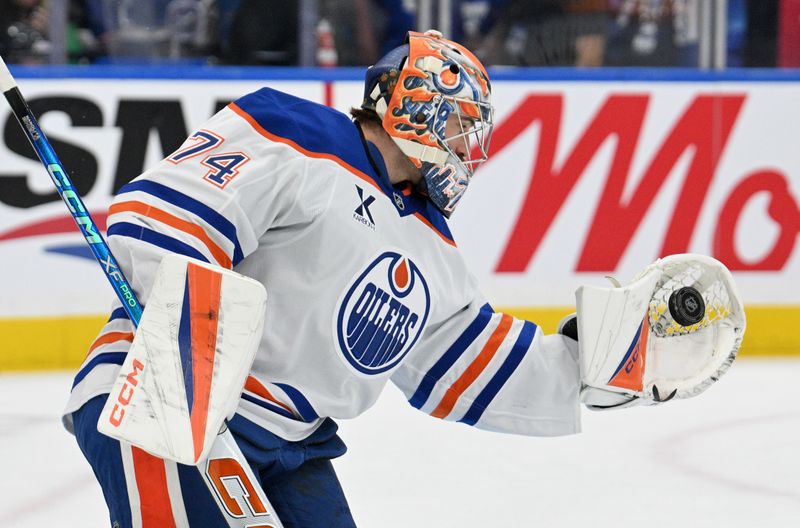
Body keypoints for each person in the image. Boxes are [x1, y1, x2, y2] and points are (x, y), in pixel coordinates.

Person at [60, 29, 737, 527]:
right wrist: (189, 355)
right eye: (466, 123)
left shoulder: (430, 246)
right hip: (156, 398)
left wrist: (607, 360)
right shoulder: (294, 131)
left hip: (291, 443)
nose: (472, 147)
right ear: (422, 104)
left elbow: (473, 365)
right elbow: (168, 215)